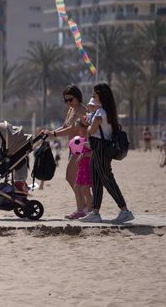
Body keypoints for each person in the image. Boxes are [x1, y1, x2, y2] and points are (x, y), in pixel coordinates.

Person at [81, 83, 134, 224]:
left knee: (106, 178)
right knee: (96, 179)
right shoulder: (107, 111)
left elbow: (91, 131)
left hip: (101, 148)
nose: (93, 97)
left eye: (94, 95)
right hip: (99, 146)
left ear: (101, 96)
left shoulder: (100, 113)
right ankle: (95, 212)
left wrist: (87, 123)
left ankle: (124, 210)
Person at [43, 85, 87, 218]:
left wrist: (54, 134)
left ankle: (83, 208)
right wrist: (50, 131)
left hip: (81, 148)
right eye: (65, 100)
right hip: (72, 147)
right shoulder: (72, 110)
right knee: (75, 179)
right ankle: (84, 207)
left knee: (72, 177)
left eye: (70, 100)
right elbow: (65, 126)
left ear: (78, 97)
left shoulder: (82, 111)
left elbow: (72, 130)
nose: (68, 103)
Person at [67, 135, 92, 219]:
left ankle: (90, 211)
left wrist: (85, 154)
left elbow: (95, 152)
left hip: (86, 169)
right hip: (81, 168)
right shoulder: (82, 140)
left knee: (85, 190)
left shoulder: (89, 142)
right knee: (77, 188)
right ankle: (80, 211)